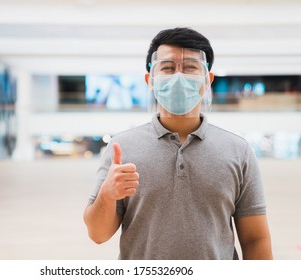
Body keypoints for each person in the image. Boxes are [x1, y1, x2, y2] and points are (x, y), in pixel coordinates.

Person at [83, 27, 273, 260]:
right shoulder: (122, 147)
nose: (179, 76)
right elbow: (98, 234)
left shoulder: (238, 150)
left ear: (207, 80)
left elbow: (255, 238)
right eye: (168, 68)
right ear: (150, 80)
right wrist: (108, 195)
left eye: (191, 67)